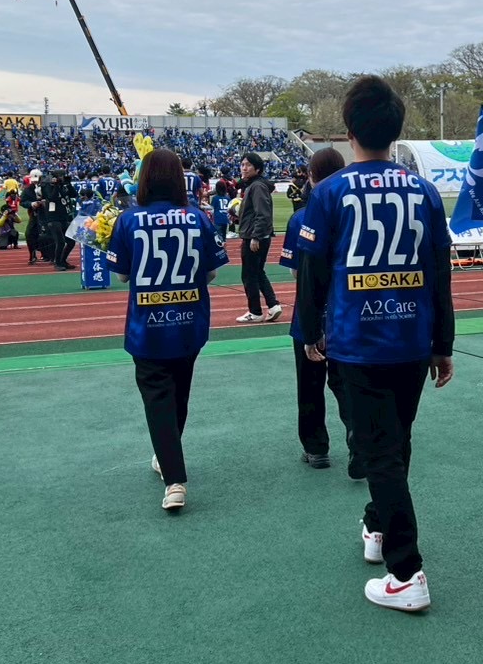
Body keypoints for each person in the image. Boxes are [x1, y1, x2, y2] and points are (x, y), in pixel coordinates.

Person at [296, 76, 455, 613]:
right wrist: (443, 342)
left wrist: (311, 333)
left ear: (348, 130)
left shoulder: (330, 192)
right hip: (411, 338)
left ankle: (406, 572)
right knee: (394, 442)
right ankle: (377, 524)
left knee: (379, 451)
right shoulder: (424, 191)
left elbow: (312, 275)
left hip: (358, 340)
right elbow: (440, 274)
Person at [108, 149, 229, 513]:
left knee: (158, 399)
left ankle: (175, 479)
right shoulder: (197, 218)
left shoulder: (129, 220)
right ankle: (167, 456)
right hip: (190, 321)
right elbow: (211, 272)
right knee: (178, 394)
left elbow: (122, 275)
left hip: (147, 325)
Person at [279, 147, 353, 472]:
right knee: (346, 382)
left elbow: (298, 272)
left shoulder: (301, 218)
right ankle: (358, 437)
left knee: (309, 385)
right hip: (347, 312)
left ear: (311, 176)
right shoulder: (354, 212)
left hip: (311, 313)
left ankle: (316, 448)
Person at [235, 152, 281, 323]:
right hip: (255, 234)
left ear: (258, 169)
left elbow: (263, 213)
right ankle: (273, 305)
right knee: (257, 272)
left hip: (255, 237)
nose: (244, 168)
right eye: (242, 164)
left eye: (248, 165)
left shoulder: (257, 187)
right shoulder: (254, 186)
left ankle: (255, 312)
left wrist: (255, 236)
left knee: (249, 275)